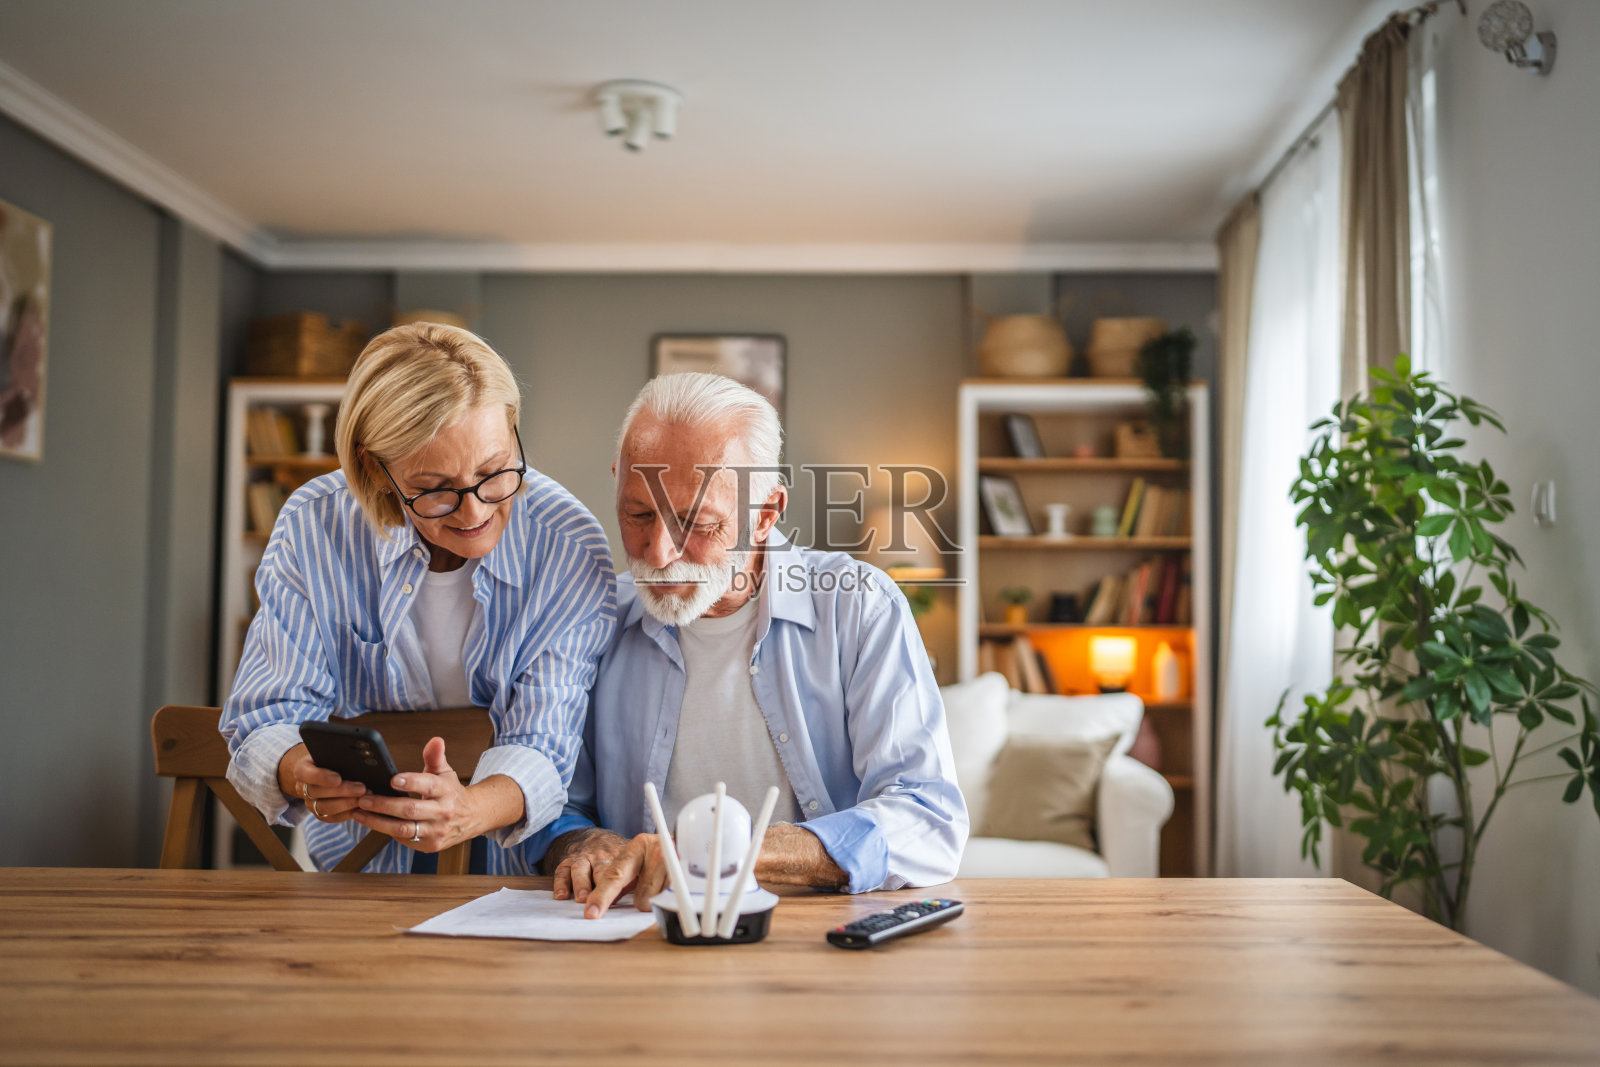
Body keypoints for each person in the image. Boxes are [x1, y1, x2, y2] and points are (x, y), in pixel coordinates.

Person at [540, 372, 966, 915]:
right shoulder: (592, 615)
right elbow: (553, 805)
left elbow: (928, 817)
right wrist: (585, 845)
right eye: (639, 514)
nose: (659, 551)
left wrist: (728, 855)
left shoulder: (859, 606)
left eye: (697, 522)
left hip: (819, 937)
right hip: (633, 930)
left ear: (765, 515)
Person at [221, 322, 616, 874]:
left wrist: (469, 807)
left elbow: (545, 742)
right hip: (360, 866)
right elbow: (265, 715)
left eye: (494, 470)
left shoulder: (566, 544)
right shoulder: (316, 527)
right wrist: (297, 768)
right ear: (372, 470)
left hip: (511, 861)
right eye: (435, 489)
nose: (475, 513)